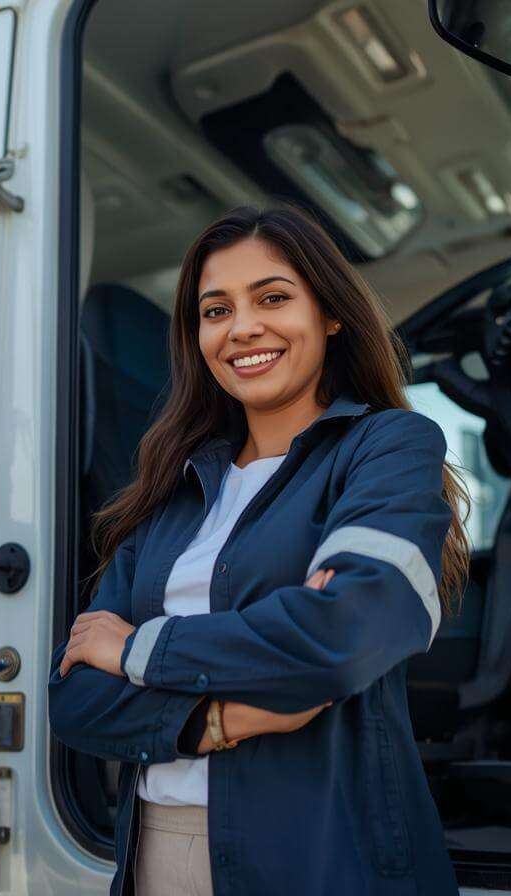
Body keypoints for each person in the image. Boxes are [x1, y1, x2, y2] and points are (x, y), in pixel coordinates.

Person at [48, 205, 469, 895]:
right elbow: (75, 700)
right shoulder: (171, 491)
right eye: (216, 311)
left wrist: (135, 651)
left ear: (330, 314)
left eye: (273, 298)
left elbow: (346, 634)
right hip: (158, 851)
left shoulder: (388, 446)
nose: (243, 328)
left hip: (328, 853)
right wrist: (217, 719)